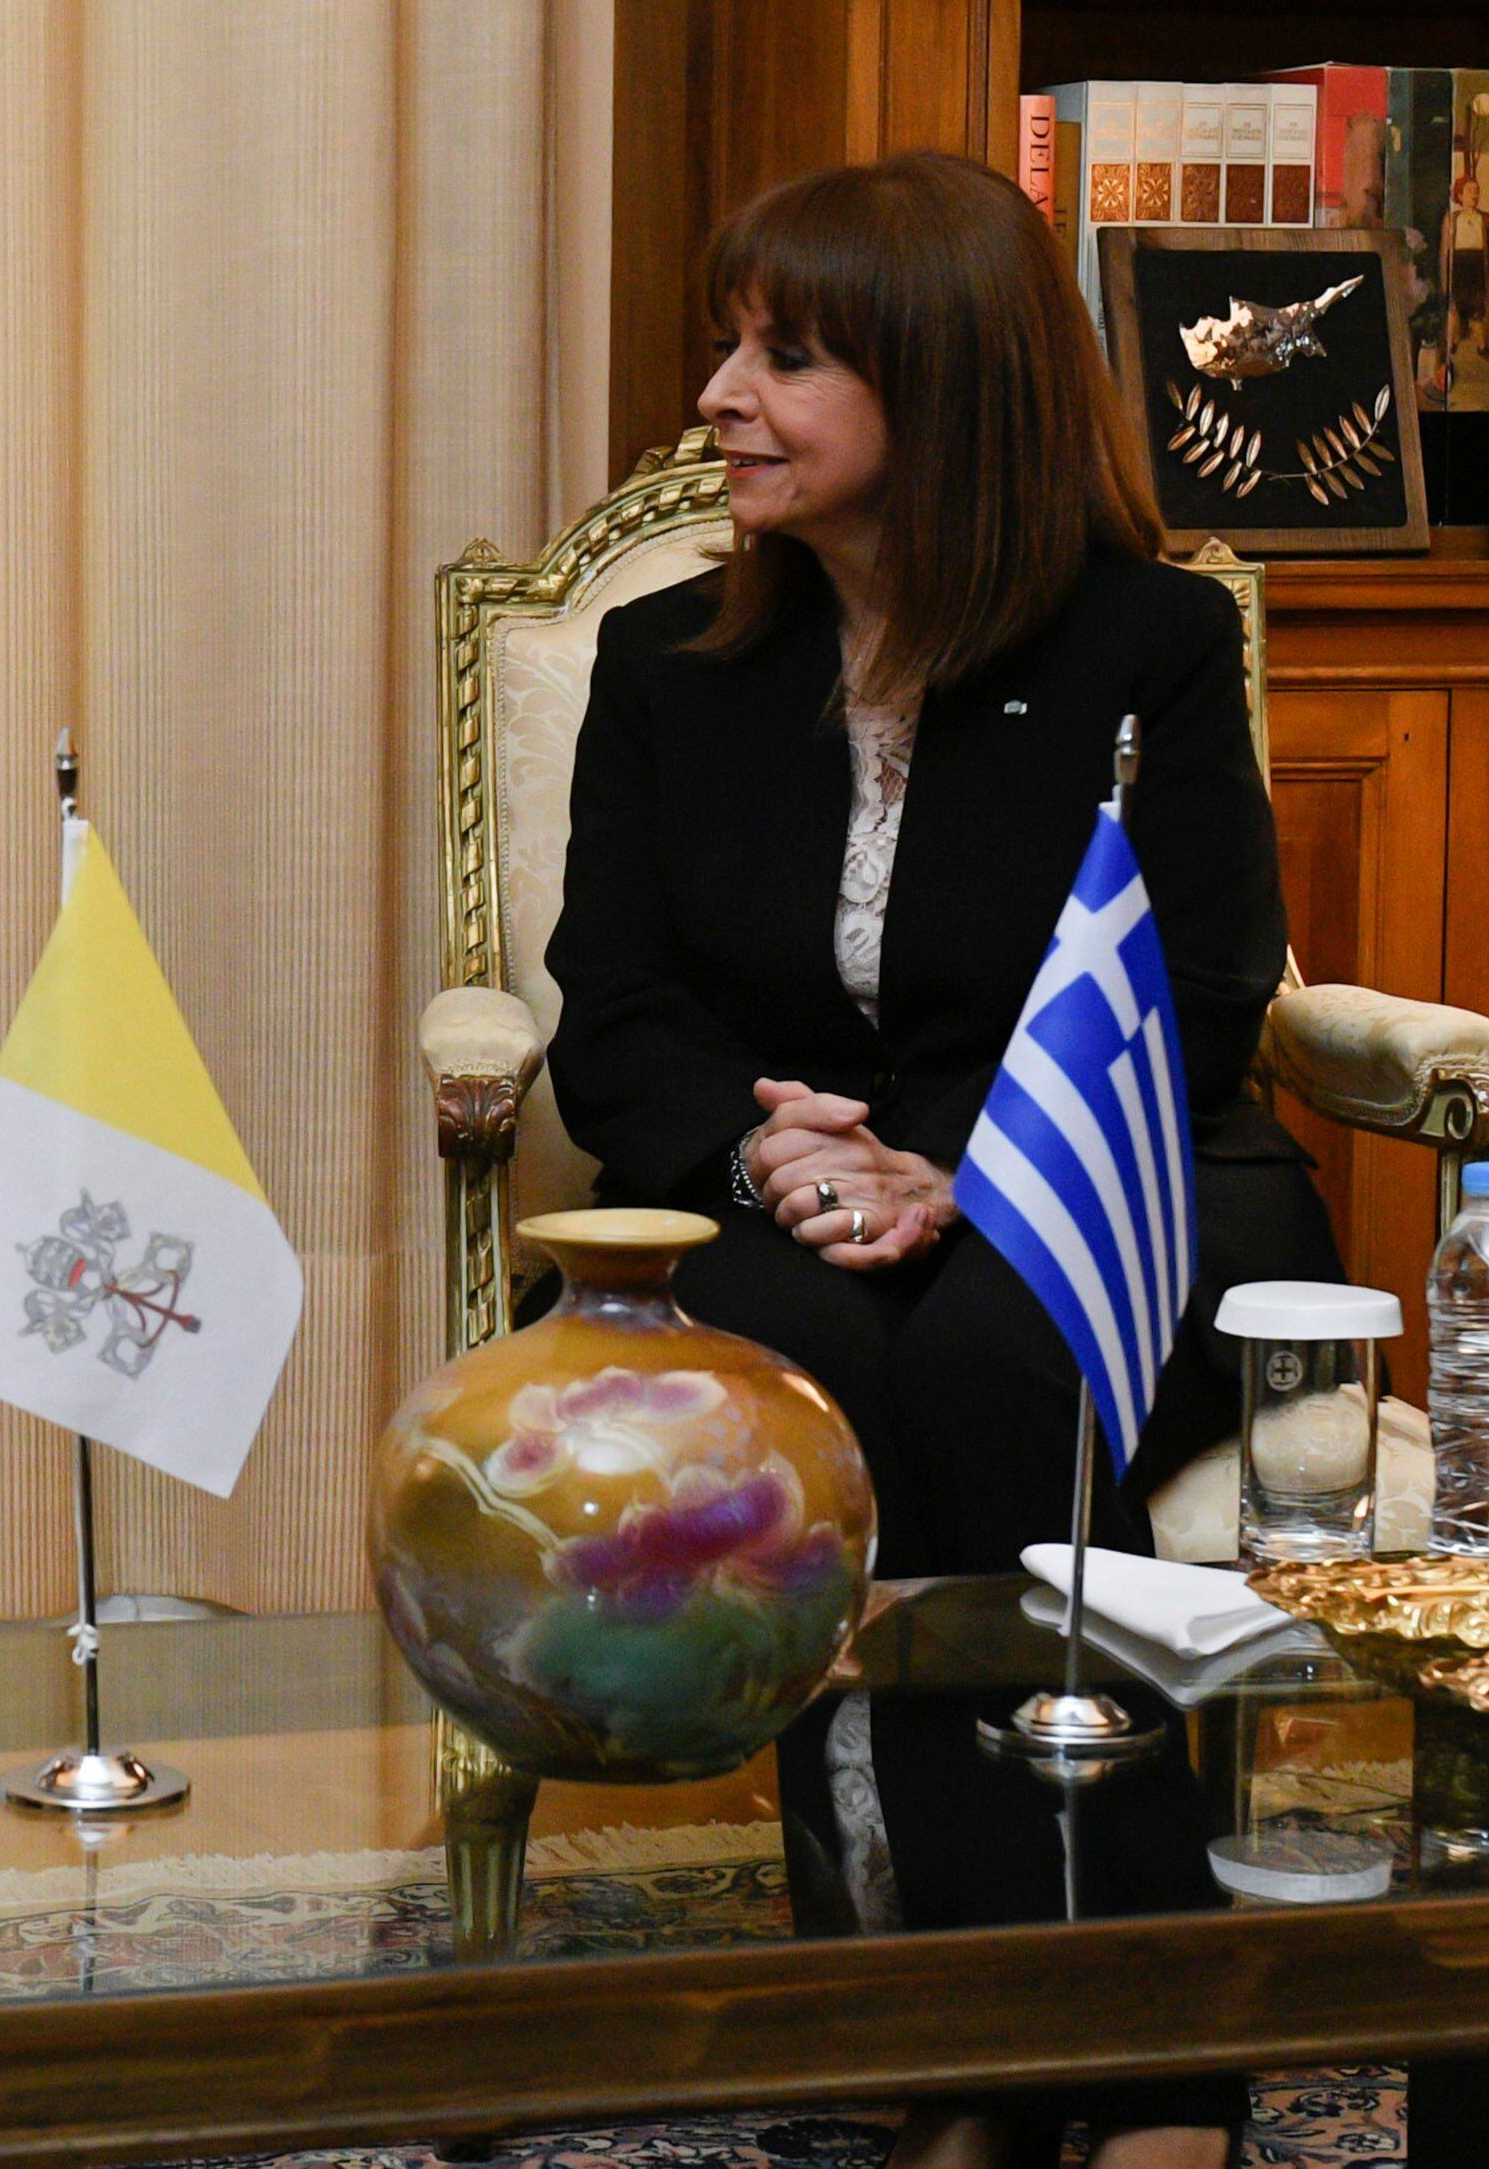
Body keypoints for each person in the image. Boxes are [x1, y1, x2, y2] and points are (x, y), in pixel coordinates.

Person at [546, 152, 1339, 2165]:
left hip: (1107, 1172)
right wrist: (756, 1144)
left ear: (947, 389)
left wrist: (962, 1172)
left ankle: (1107, 2045)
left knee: (997, 1356)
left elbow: (1201, 973)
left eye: (784, 355)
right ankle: (966, 2030)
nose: (718, 392)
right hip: (776, 1199)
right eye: (727, 342)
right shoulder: (665, 670)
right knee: (833, 1379)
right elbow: (611, 1000)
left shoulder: (1140, 645)